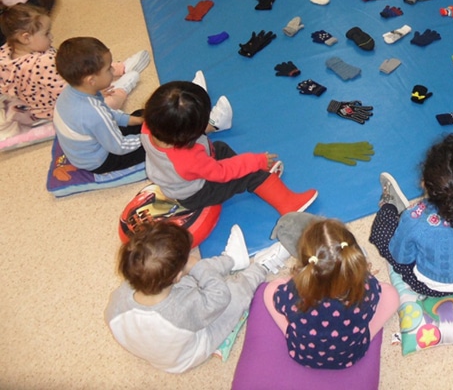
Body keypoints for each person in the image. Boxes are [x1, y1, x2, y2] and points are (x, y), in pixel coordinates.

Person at [105, 221, 268, 373]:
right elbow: (220, 296)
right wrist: (196, 266)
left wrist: (190, 268)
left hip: (164, 342)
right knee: (234, 294)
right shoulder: (185, 309)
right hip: (186, 356)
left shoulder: (120, 297)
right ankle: (262, 267)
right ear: (176, 277)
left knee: (193, 274)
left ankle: (232, 261)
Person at [141, 80, 317, 214]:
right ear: (188, 134)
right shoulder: (188, 158)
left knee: (220, 147)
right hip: (197, 193)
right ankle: (289, 204)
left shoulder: (149, 126)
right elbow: (221, 173)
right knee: (249, 173)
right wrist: (256, 161)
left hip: (176, 178)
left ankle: (263, 179)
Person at [369, 133, 453, 297]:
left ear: (424, 182)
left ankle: (388, 205)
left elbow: (401, 257)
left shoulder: (415, 218)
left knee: (381, 232)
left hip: (430, 287)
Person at [261, 218, 399, 370]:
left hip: (302, 354)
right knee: (391, 294)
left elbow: (279, 301)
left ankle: (292, 333)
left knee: (270, 290)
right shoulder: (366, 285)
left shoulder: (294, 292)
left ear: (307, 264)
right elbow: (377, 297)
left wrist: (295, 280)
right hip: (352, 354)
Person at [0, 2, 149, 123]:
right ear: (25, 38)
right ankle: (121, 88)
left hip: (42, 102)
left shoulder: (5, 54)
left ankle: (114, 69)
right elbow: (70, 94)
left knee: (76, 60)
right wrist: (97, 92)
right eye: (46, 33)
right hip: (60, 110)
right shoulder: (42, 62)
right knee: (104, 109)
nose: (51, 37)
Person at [53, 37, 146, 173]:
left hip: (84, 151)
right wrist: (148, 138)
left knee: (140, 115)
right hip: (99, 161)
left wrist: (134, 120)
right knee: (156, 146)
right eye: (109, 69)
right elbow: (119, 146)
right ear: (91, 80)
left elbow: (107, 114)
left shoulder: (70, 92)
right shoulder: (93, 112)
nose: (114, 71)